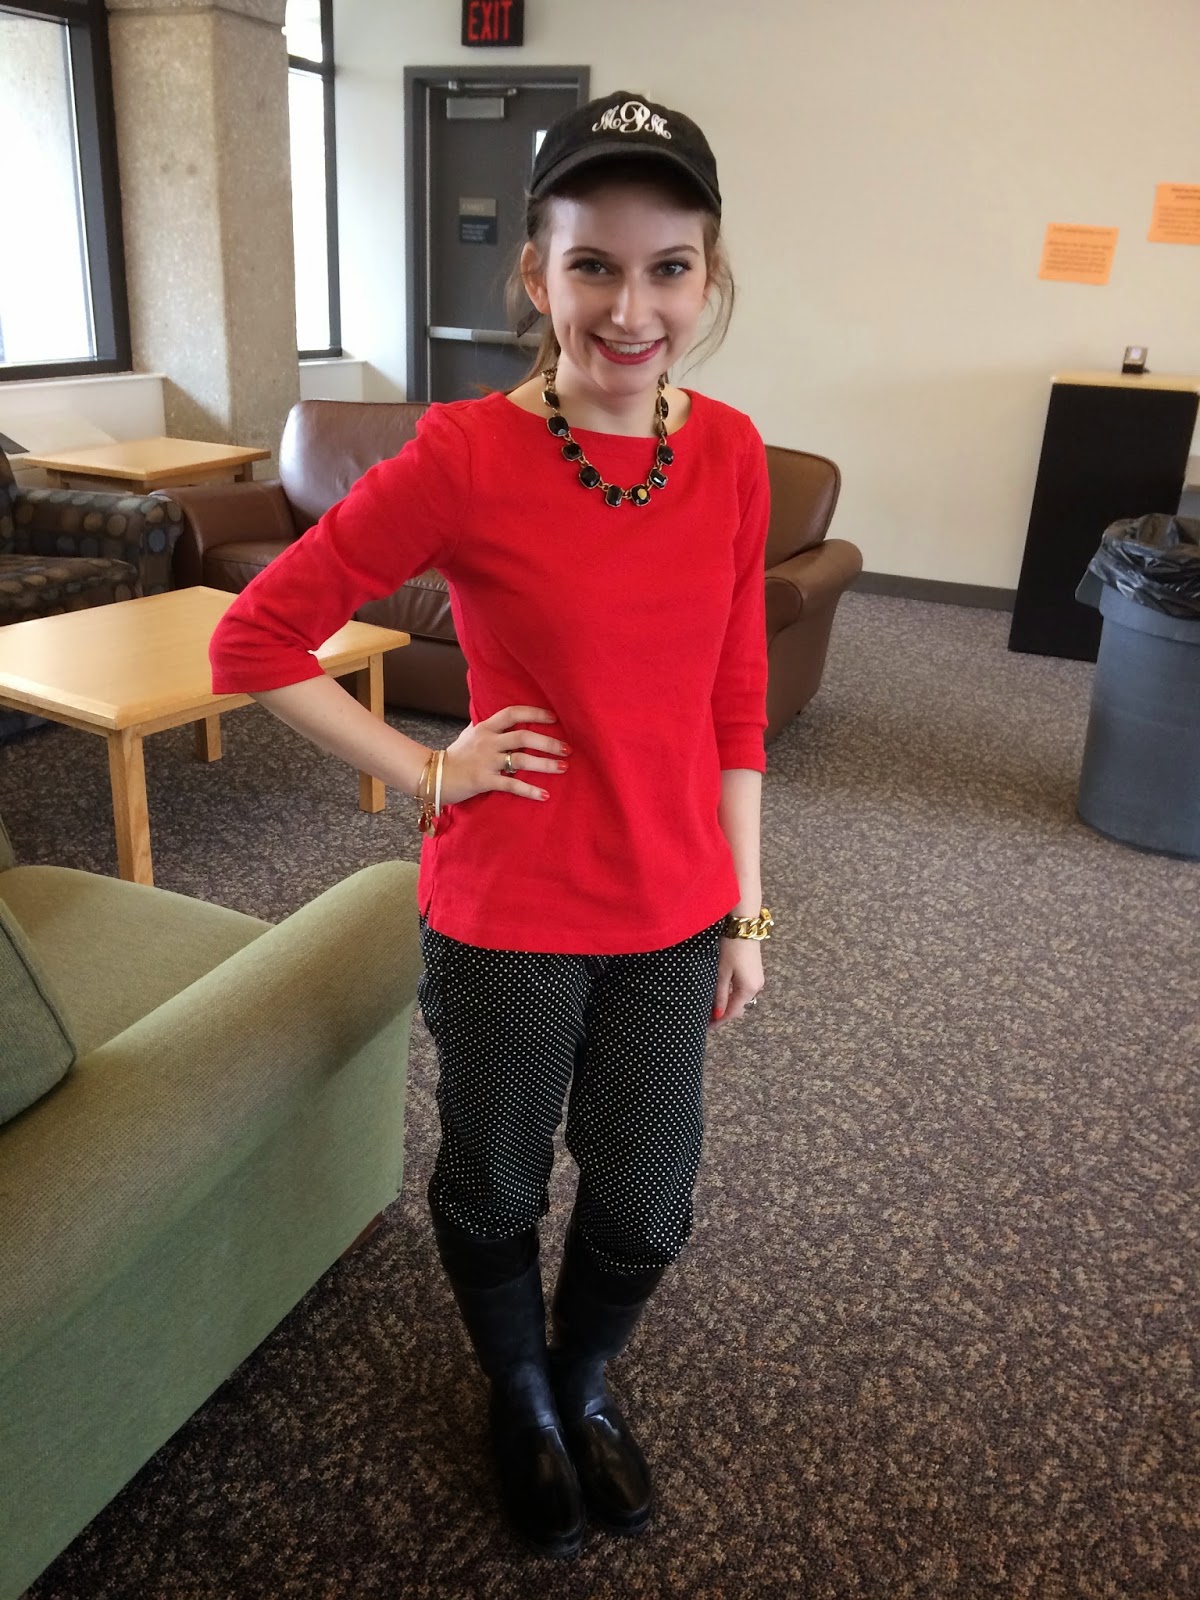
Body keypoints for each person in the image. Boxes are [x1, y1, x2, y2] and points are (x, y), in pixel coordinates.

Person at [208, 90, 772, 1561]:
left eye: (668, 268)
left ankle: (583, 1387)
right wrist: (423, 767)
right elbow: (255, 640)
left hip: (673, 908)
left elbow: (736, 701)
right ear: (536, 273)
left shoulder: (730, 452)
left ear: (708, 276)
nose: (631, 308)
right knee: (493, 1181)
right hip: (510, 906)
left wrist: (745, 906)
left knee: (646, 1206)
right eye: (593, 266)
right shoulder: (465, 454)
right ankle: (519, 1399)